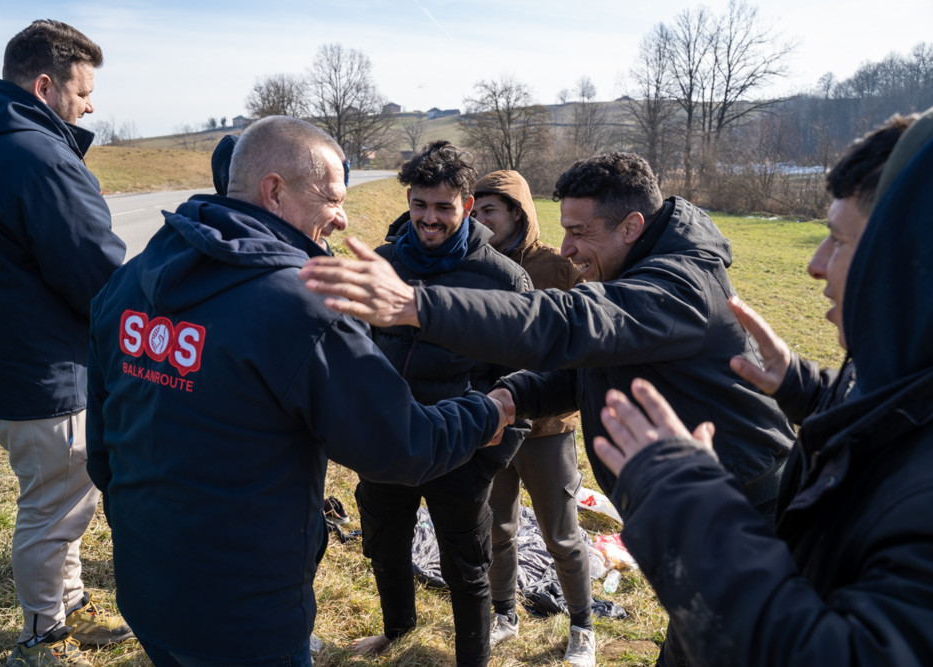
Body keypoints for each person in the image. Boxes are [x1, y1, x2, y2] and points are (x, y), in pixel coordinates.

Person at [85, 118, 510, 667]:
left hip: (147, 583)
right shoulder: (302, 304)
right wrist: (488, 410)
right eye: (332, 197)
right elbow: (402, 446)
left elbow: (101, 447)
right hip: (248, 612)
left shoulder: (130, 280)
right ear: (275, 191)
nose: (343, 215)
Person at [589, 110, 933, 665]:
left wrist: (691, 502)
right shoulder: (894, 367)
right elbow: (898, 423)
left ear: (912, 265)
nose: (816, 265)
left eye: (841, 242)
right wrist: (806, 387)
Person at [300, 152, 794, 515]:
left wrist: (418, 305)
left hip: (750, 510)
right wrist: (516, 395)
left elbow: (566, 322)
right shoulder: (638, 272)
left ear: (631, 226)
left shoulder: (677, 288)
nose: (565, 250)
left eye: (580, 232)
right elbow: (590, 367)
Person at [0, 20, 131, 666]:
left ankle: (68, 602)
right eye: (83, 91)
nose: (90, 105)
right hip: (39, 375)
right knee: (54, 508)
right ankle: (43, 634)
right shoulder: (39, 158)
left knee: (56, 498)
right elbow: (98, 276)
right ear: (45, 85)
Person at [348, 142, 531, 667]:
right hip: (387, 445)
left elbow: (522, 382)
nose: (429, 219)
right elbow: (353, 355)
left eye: (443, 207)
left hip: (460, 454)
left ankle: (471, 658)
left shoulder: (503, 279)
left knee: (466, 565)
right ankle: (396, 629)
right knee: (384, 544)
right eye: (419, 205)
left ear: (467, 206)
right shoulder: (381, 265)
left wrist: (486, 461)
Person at [469, 170, 595, 665]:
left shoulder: (557, 265)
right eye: (474, 212)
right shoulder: (476, 264)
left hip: (548, 429)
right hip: (492, 425)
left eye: (489, 211)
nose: (479, 220)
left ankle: (583, 627)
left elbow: (586, 333)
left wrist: (563, 400)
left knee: (560, 533)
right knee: (496, 528)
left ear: (517, 213)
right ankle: (504, 614)